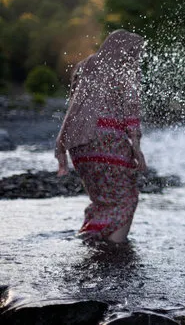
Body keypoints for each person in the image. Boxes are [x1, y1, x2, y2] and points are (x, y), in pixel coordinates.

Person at [55, 29, 147, 244]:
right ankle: (115, 248)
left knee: (102, 199)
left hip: (78, 145)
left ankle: (92, 235)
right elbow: (131, 112)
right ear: (124, 50)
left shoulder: (83, 67)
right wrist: (136, 147)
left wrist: (63, 146)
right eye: (135, 52)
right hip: (109, 142)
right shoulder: (124, 70)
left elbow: (75, 107)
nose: (137, 58)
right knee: (126, 198)